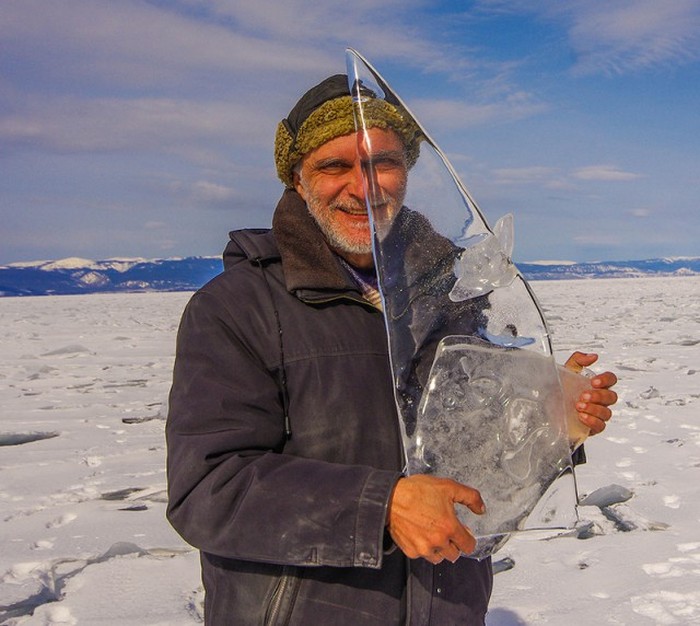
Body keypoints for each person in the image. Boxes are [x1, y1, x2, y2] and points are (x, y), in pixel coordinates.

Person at [166, 74, 618, 625]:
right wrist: (383, 505)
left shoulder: (451, 296)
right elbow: (209, 488)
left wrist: (545, 422)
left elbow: (472, 475)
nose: (365, 187)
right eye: (335, 166)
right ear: (296, 179)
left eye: (384, 162)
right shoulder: (237, 308)